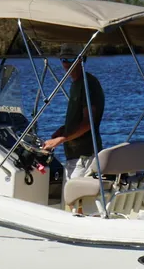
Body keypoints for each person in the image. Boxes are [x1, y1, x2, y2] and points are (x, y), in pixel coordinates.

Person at [42, 43, 105, 179]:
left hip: (85, 157)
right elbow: (78, 119)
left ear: (81, 60)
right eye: (63, 59)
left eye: (71, 60)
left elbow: (89, 123)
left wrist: (60, 140)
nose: (66, 64)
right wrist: (63, 129)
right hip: (73, 156)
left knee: (71, 197)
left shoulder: (88, 83)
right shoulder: (75, 84)